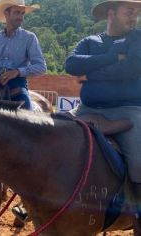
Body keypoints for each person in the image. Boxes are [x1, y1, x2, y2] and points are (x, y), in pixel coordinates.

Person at [65, 0, 141, 229]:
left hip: (128, 110)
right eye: (129, 11)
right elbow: (71, 65)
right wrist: (111, 57)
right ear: (111, 13)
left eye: (137, 12)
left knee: (138, 159)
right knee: (51, 132)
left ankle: (137, 214)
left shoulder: (137, 39)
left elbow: (130, 70)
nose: (134, 16)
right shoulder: (90, 41)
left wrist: (90, 74)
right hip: (86, 109)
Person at [0, 0, 47, 110]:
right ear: (6, 13)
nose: (21, 17)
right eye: (17, 12)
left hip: (17, 86)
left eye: (22, 13)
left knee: (27, 119)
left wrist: (17, 72)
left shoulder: (29, 38)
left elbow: (41, 67)